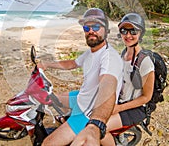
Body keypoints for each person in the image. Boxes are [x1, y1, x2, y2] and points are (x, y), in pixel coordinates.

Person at [38, 8, 123, 146]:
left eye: (96, 26)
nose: (91, 30)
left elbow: (108, 87)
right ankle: (67, 122)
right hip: (81, 98)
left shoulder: (109, 58)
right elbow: (72, 63)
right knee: (52, 99)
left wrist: (96, 123)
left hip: (88, 112)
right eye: (86, 27)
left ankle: (75, 128)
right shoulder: (91, 52)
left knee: (47, 144)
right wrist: (46, 64)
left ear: (106, 31)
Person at [100, 13, 155, 146]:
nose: (128, 35)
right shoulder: (123, 54)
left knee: (98, 129)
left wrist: (119, 108)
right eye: (124, 31)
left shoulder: (145, 62)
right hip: (119, 103)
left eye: (133, 31)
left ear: (140, 33)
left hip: (135, 108)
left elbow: (146, 97)